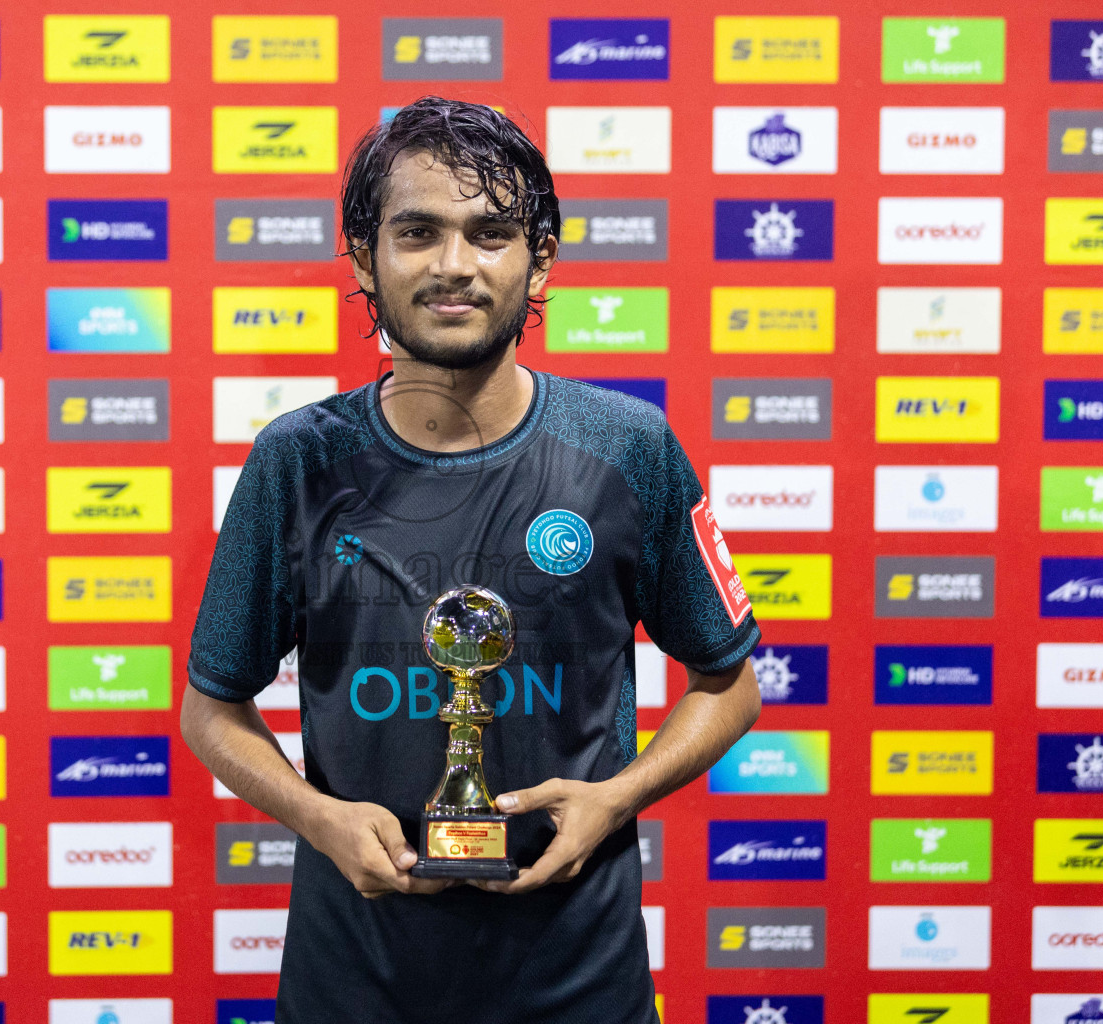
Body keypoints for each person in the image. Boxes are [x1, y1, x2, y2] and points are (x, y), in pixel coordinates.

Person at [183, 96, 763, 1024]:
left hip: (581, 982)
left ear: (539, 263)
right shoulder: (294, 462)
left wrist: (617, 798)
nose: (454, 266)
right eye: (418, 232)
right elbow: (212, 708)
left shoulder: (630, 448)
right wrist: (317, 816)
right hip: (355, 986)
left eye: (490, 232)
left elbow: (730, 684)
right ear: (365, 257)